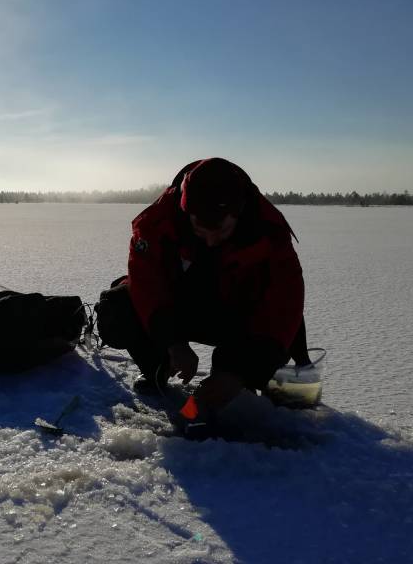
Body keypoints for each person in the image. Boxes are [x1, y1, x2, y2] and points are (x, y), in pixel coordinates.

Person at [96, 157, 309, 417]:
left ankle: (246, 384)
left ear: (237, 214)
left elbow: (285, 302)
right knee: (117, 306)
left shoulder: (269, 230)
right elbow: (146, 285)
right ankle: (157, 368)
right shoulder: (157, 222)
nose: (210, 242)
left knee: (284, 340)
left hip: (238, 314)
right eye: (200, 229)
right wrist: (173, 343)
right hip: (183, 307)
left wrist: (237, 370)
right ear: (187, 213)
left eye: (220, 231)